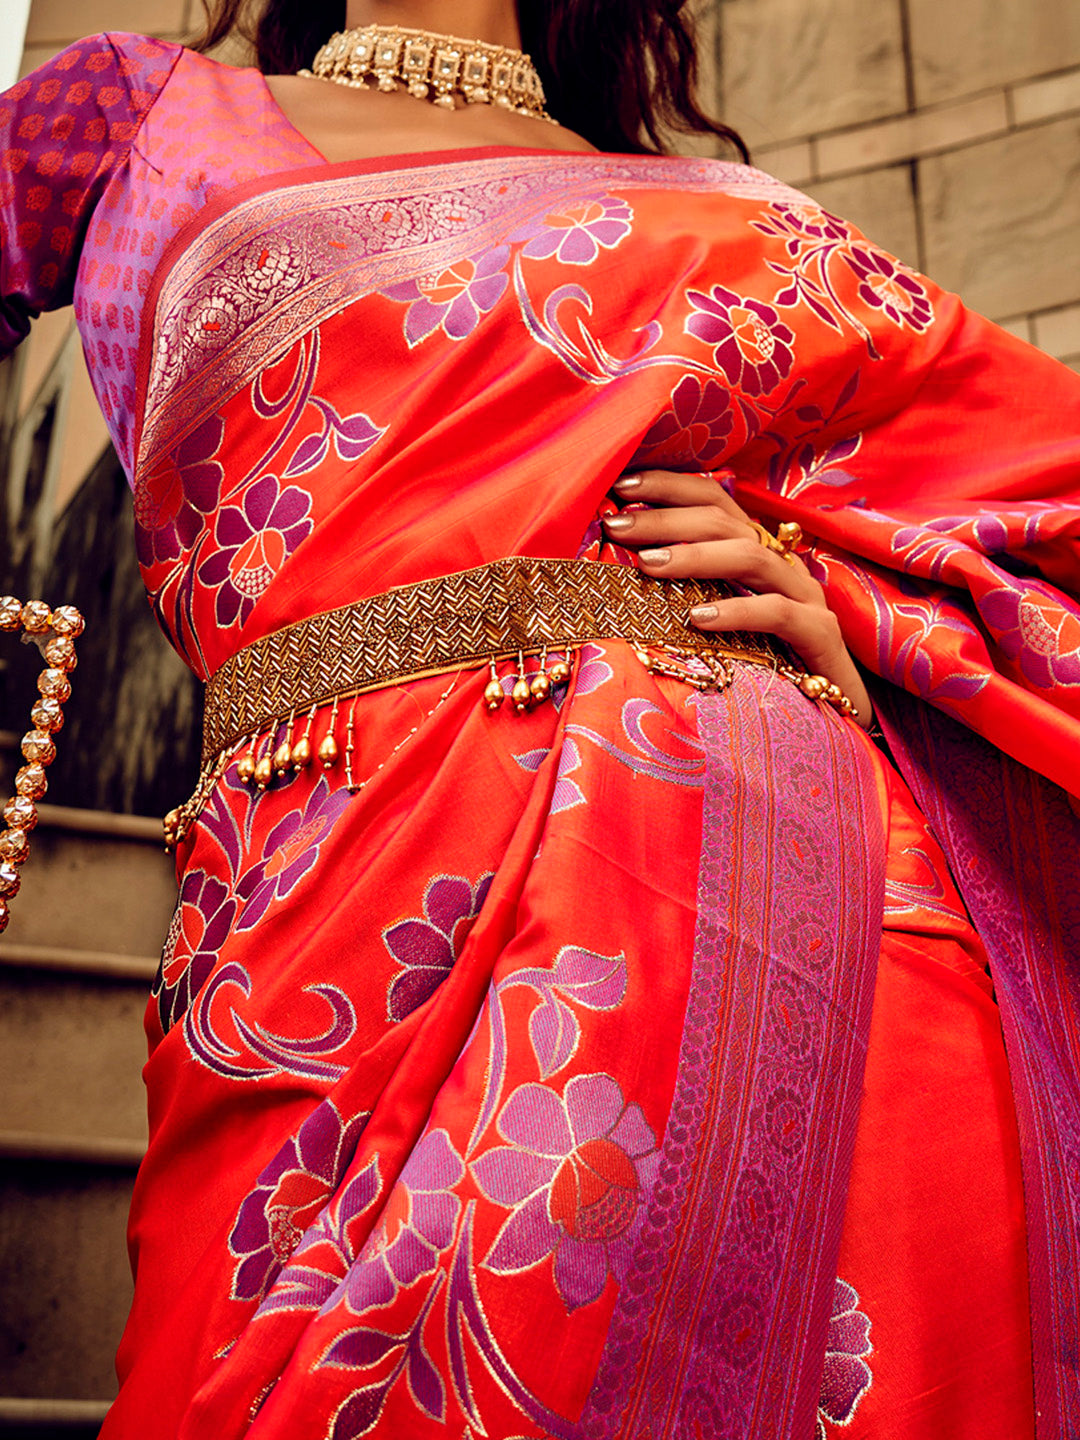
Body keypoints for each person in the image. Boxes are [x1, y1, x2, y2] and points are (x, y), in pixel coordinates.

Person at [2, 1, 1078, 1435]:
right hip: (337, 902)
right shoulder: (140, 118)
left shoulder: (735, 217)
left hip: (817, 919)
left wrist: (850, 600)